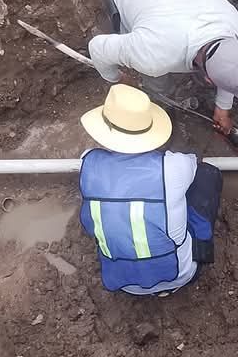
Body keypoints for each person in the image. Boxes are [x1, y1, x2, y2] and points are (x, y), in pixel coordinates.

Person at [87, 0, 238, 140]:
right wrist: (118, 79)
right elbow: (97, 48)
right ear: (208, 79)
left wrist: (223, 108)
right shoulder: (154, 55)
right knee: (155, 76)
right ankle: (161, 100)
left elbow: (230, 67)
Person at [77, 84, 222, 296]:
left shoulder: (87, 164)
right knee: (207, 175)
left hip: (125, 285)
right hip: (180, 275)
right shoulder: (173, 167)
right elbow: (193, 164)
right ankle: (201, 252)